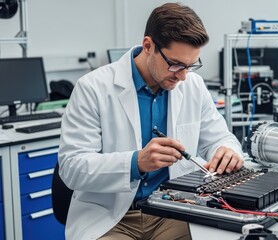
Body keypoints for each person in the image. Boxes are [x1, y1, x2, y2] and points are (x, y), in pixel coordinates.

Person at [58, 3, 244, 240]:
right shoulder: (92, 88)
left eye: (190, 66)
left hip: (173, 211)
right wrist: (136, 163)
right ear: (149, 46)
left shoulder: (192, 85)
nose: (183, 76)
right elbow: (72, 167)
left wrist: (227, 151)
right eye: (176, 64)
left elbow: (220, 138)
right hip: (112, 217)